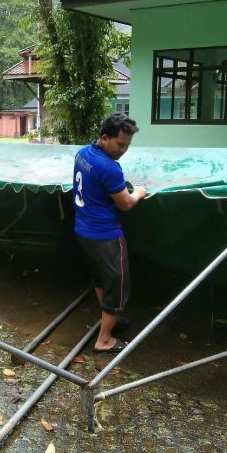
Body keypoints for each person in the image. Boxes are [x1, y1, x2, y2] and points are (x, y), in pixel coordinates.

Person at [73, 113, 147, 354]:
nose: (123, 150)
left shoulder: (83, 153)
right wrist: (140, 193)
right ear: (105, 138)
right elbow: (125, 204)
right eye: (120, 144)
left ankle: (111, 320)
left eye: (127, 145)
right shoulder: (110, 167)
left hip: (83, 231)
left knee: (101, 278)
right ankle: (105, 339)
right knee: (118, 285)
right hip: (105, 235)